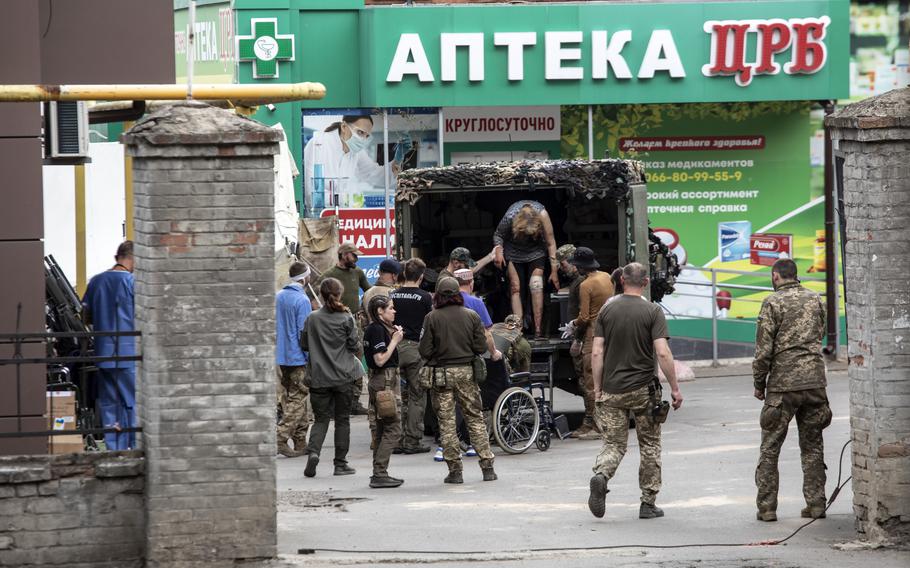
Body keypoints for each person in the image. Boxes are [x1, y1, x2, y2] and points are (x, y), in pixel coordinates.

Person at [587, 263, 683, 520]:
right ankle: (648, 503)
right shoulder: (653, 311)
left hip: (611, 390)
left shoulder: (607, 311)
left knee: (614, 444)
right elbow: (662, 352)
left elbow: (597, 352)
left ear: (621, 280)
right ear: (646, 282)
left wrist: (597, 388)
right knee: (650, 445)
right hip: (643, 391)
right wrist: (674, 388)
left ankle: (601, 475)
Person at [753, 258, 830, 522]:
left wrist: (758, 383)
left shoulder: (772, 302)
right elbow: (821, 332)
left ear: (776, 276)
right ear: (795, 275)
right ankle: (816, 504)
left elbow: (763, 350)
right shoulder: (815, 298)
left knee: (770, 447)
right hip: (815, 383)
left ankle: (767, 508)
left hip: (783, 385)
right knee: (813, 445)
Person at [419, 277, 502, 484]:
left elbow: (424, 350)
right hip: (467, 373)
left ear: (437, 295)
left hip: (442, 374)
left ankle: (455, 471)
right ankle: (487, 467)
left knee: (447, 423)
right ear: (458, 294)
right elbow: (481, 347)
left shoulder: (432, 317)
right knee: (475, 419)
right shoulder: (472, 315)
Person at [302, 278, 364, 478]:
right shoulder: (346, 318)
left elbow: (304, 344)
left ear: (320, 294)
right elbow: (354, 345)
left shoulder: (312, 318)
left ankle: (313, 452)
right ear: (340, 294)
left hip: (319, 378)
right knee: (342, 420)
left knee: (320, 420)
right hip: (342, 376)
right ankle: (340, 463)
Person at [82, 241, 136, 451]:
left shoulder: (96, 281)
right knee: (131, 402)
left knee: (109, 403)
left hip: (104, 352)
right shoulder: (131, 282)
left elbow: (86, 316)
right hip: (128, 351)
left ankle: (114, 447)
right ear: (133, 257)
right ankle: (133, 445)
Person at [565, 247, 614, 440]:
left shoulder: (586, 285)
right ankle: (606, 421)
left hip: (592, 335)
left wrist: (572, 325)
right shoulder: (606, 277)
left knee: (590, 379)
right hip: (609, 331)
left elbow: (584, 317)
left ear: (580, 266)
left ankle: (596, 426)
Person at [492, 200, 559, 338]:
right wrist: (498, 251)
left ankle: (538, 330)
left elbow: (551, 242)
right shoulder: (510, 216)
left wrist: (554, 270)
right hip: (513, 250)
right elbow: (498, 235)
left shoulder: (542, 214)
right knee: (515, 287)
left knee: (536, 285)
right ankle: (518, 329)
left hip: (536, 250)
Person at [303, 115, 397, 210]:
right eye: (360, 132)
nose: (363, 139)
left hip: (343, 215)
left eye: (367, 136)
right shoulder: (318, 144)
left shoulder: (356, 151)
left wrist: (396, 162)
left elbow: (373, 173)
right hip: (319, 217)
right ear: (344, 127)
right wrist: (346, 198)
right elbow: (311, 195)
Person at [320, 243, 371, 415]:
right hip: (335, 323)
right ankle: (336, 405)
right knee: (337, 361)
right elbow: (314, 295)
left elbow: (369, 293)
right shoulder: (329, 275)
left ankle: (354, 403)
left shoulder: (357, 272)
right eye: (353, 255)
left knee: (357, 360)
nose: (356, 258)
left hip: (355, 321)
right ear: (343, 255)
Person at [389, 259, 434, 454]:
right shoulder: (425, 297)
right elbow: (430, 324)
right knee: (417, 395)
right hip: (416, 350)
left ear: (404, 274)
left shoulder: (392, 295)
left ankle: (396, 439)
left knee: (396, 396)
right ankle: (412, 441)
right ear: (421, 277)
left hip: (395, 347)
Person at [363, 295, 406, 488]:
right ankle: (380, 472)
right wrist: (395, 341)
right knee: (394, 427)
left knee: (381, 428)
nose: (394, 311)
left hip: (381, 380)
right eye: (390, 308)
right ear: (380, 311)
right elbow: (380, 359)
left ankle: (379, 472)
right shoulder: (377, 330)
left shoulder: (377, 329)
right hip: (385, 381)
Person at [275, 261, 314, 458]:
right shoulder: (303, 300)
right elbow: (304, 332)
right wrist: (310, 357)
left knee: (292, 397)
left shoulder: (279, 296)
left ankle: (300, 441)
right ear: (305, 277)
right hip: (298, 356)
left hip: (282, 356)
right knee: (298, 400)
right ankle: (280, 437)